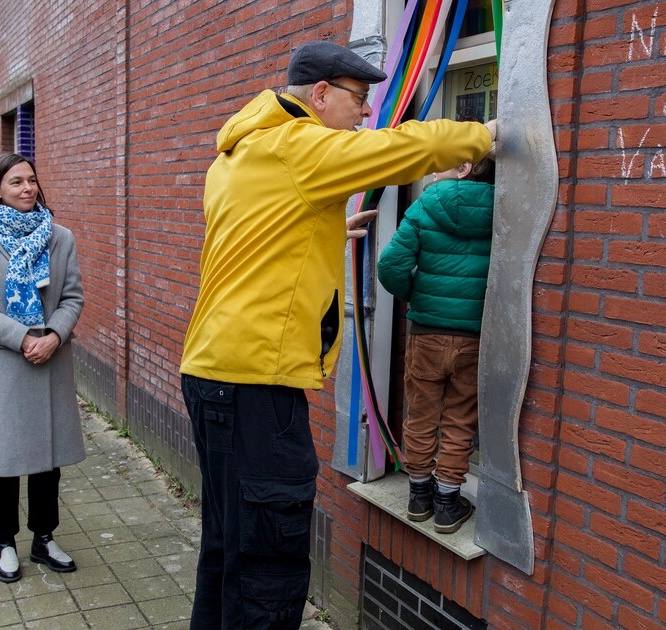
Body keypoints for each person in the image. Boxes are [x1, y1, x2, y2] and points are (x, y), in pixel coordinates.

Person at [178, 40, 495, 628]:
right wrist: (485, 135)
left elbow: (253, 234)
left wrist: (322, 225)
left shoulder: (244, 150)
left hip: (214, 375)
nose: (366, 111)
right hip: (255, 386)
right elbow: (402, 149)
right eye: (360, 98)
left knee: (227, 549)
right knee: (267, 565)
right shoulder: (299, 144)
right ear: (321, 94)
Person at [0, 152, 85, 583]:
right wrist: (24, 338)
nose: (27, 188)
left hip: (50, 360)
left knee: (48, 459)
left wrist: (54, 336)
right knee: (4, 459)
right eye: (16, 182)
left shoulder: (59, 236)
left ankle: (44, 538)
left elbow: (72, 297)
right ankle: (5, 541)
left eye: (31, 180)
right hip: (6, 362)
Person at [376, 156, 496, 535]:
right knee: (460, 419)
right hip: (474, 336)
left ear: (464, 167)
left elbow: (390, 266)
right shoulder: (504, 208)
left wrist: (417, 296)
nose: (432, 170)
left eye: (441, 162)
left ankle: (418, 496)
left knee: (422, 414)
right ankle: (447, 503)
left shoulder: (425, 205)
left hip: (427, 334)